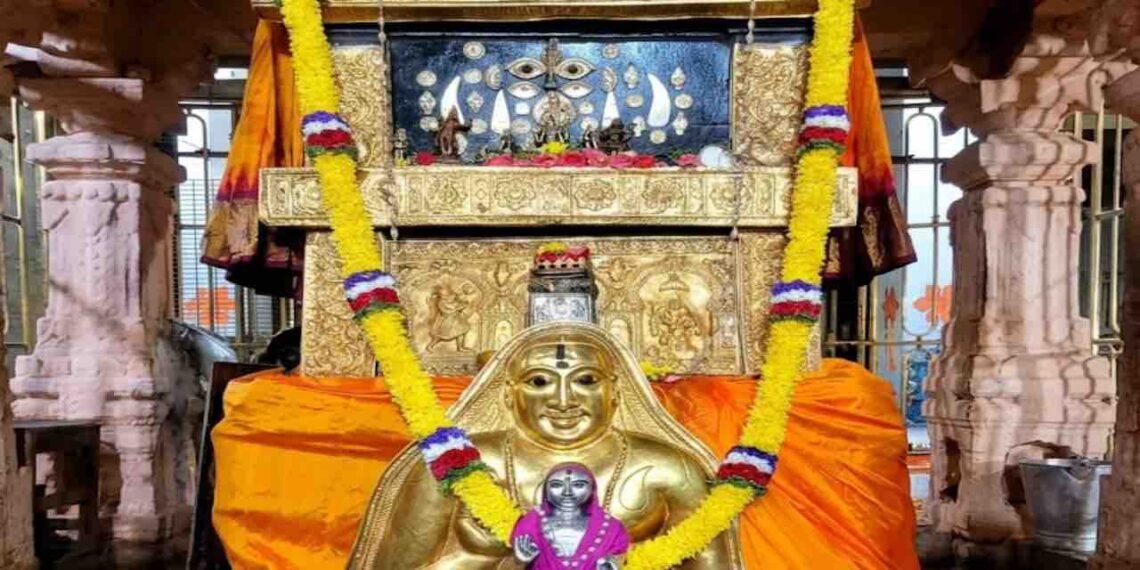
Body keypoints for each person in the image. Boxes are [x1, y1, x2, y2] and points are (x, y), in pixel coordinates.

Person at [349, 323, 735, 569]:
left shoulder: (667, 468)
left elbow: (710, 562)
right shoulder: (462, 463)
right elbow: (398, 563)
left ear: (615, 393)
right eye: (539, 382)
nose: (564, 400)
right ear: (508, 394)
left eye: (586, 380)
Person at [512, 463, 628, 569]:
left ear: (592, 489)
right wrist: (520, 561)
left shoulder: (611, 528)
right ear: (545, 489)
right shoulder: (531, 523)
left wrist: (612, 564)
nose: (567, 492)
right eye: (557, 485)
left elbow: (619, 558)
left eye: (578, 485)